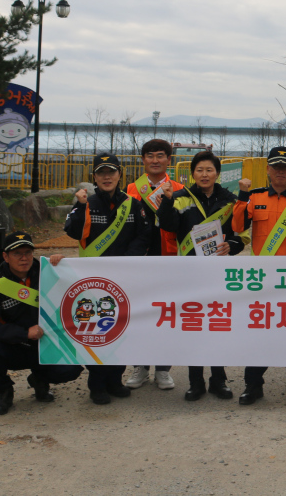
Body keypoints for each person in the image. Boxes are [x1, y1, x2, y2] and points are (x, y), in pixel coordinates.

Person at [64, 152, 152, 404]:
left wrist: (125, 260)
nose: (106, 176)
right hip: (94, 280)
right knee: (98, 329)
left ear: (120, 175)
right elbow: (72, 231)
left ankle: (115, 379)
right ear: (94, 177)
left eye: (111, 172)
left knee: (122, 328)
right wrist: (80, 206)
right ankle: (97, 384)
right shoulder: (87, 202)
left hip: (125, 276)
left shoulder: (133, 204)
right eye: (101, 172)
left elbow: (144, 235)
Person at [157, 150, 245, 402]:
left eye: (209, 170)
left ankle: (219, 380)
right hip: (190, 273)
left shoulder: (230, 200)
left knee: (217, 326)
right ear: (192, 173)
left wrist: (233, 245)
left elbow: (240, 231)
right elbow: (168, 225)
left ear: (217, 173)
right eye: (199, 170)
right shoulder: (181, 197)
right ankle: (196, 383)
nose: (204, 174)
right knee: (194, 327)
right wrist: (165, 201)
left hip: (219, 273)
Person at [232, 147, 286, 407]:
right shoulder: (254, 197)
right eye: (275, 166)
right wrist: (242, 196)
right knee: (259, 335)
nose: (280, 171)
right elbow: (237, 227)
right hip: (262, 281)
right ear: (268, 170)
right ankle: (253, 386)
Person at [0, 232, 84, 415]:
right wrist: (24, 333)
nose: (24, 258)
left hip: (46, 344)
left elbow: (79, 287)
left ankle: (39, 379)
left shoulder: (48, 273)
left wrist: (64, 265)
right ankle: (3, 391)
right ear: (5, 256)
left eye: (27, 252)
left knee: (72, 368)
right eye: (17, 253)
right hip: (15, 345)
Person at [124, 138, 185, 391]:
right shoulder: (130, 189)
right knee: (138, 314)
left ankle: (163, 368)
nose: (155, 160)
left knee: (166, 315)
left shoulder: (181, 188)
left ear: (168, 160)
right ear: (143, 160)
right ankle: (139, 366)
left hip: (169, 259)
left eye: (160, 156)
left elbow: (185, 224)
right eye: (150, 156)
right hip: (139, 260)